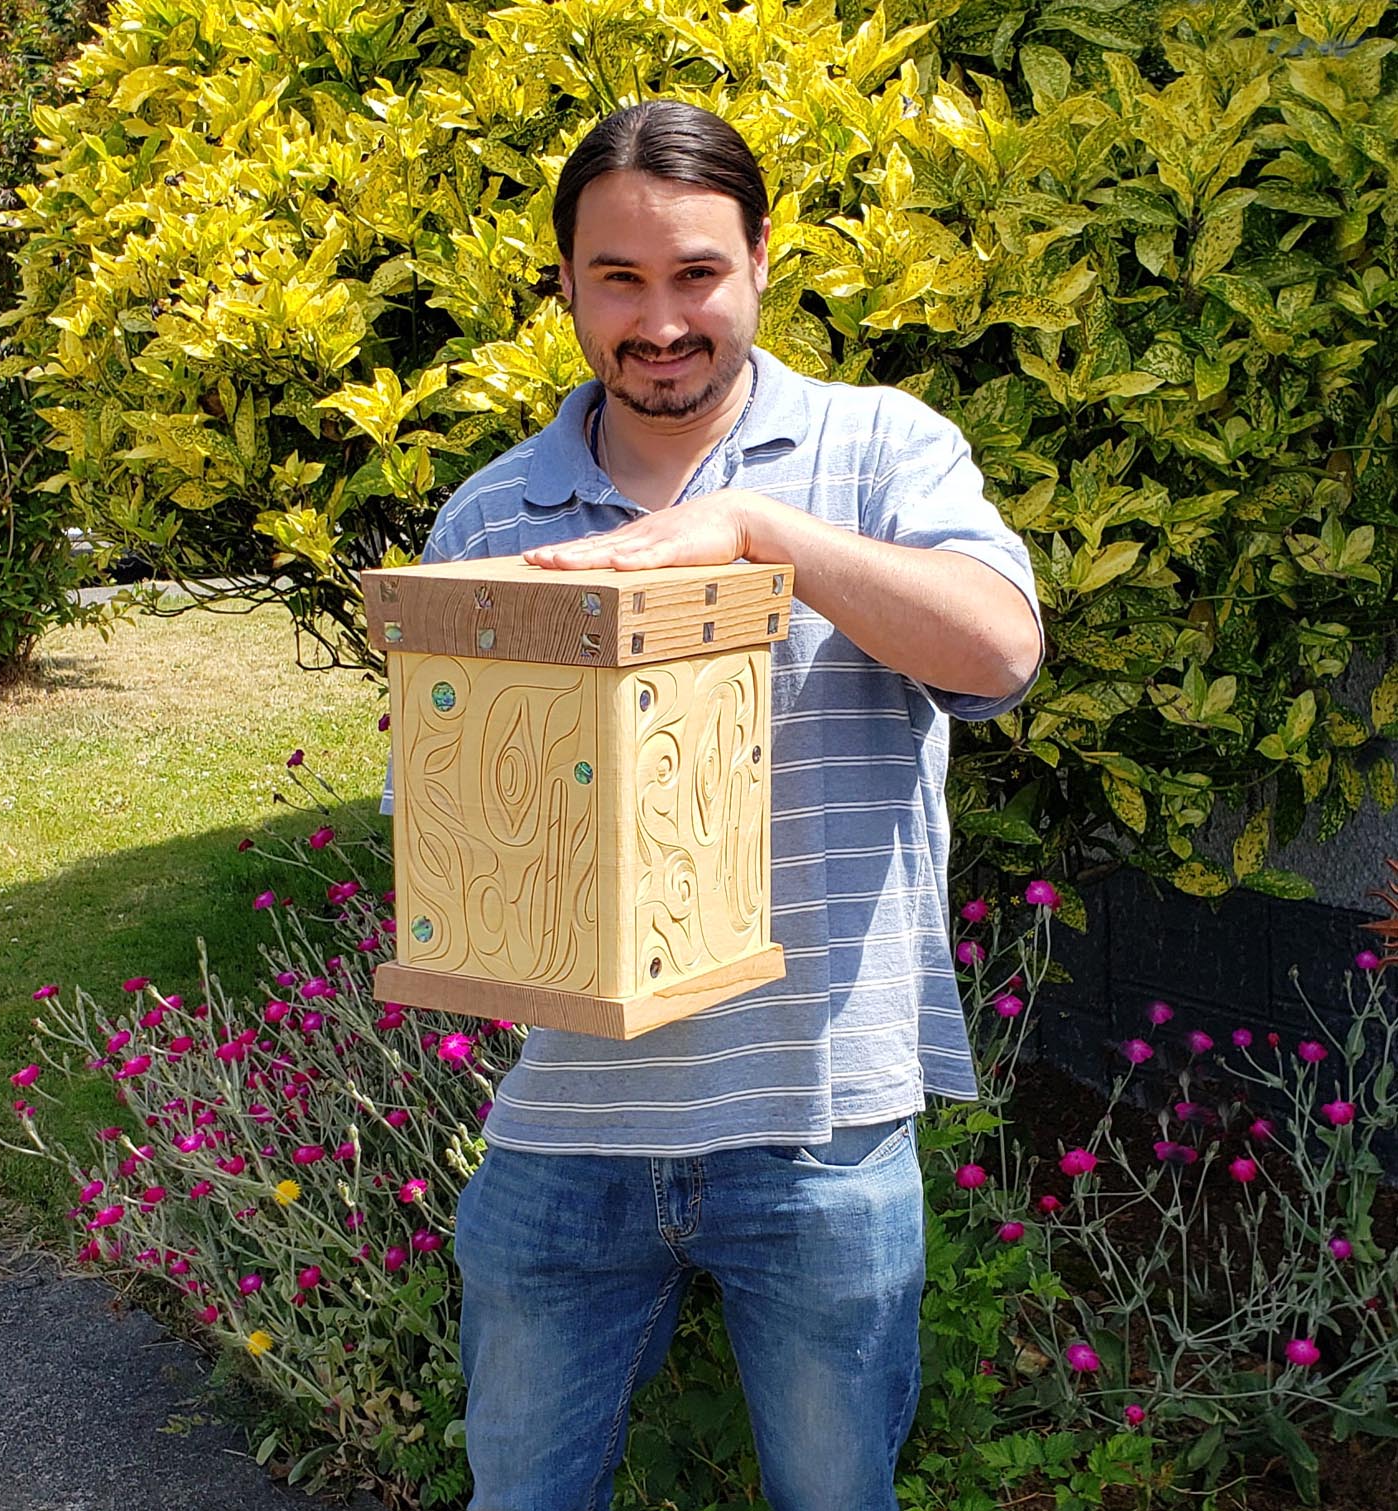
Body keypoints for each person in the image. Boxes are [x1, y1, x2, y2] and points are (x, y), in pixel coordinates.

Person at [384, 100, 1043, 1511]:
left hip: (817, 1124)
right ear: (563, 285)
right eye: (616, 278)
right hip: (565, 1129)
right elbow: (446, 808)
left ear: (758, 264)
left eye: (694, 273)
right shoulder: (493, 520)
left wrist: (757, 537)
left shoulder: (879, 451)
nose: (659, 317)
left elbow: (996, 651)